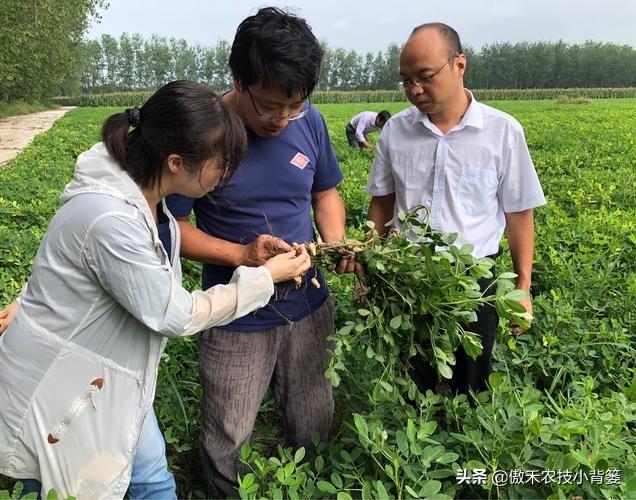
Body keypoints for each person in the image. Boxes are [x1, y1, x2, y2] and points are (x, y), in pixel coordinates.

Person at [0, 80, 311, 499]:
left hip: (112, 377)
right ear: (177, 162)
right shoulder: (112, 219)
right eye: (221, 164)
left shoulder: (145, 195)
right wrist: (264, 278)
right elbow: (176, 314)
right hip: (66, 391)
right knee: (72, 487)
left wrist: (247, 256)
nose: (225, 175)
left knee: (152, 481)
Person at [165, 7, 348, 497]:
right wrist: (243, 255)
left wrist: (335, 242)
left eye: (295, 106)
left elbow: (325, 191)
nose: (282, 119)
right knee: (229, 430)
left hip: (307, 304)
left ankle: (309, 487)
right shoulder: (206, 136)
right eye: (269, 106)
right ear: (238, 79)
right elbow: (172, 227)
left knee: (312, 414)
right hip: (236, 313)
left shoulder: (309, 124)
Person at [365, 23, 546, 395]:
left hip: (474, 282)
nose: (414, 89)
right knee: (411, 384)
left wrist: (523, 288)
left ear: (459, 64)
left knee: (471, 385)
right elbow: (382, 204)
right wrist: (368, 267)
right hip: (407, 280)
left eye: (425, 77)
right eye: (405, 80)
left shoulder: (503, 132)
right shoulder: (395, 132)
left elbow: (518, 214)